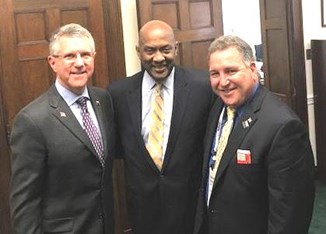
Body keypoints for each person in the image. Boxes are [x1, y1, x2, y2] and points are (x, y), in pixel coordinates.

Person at [193, 35, 315, 234]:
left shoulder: (283, 127)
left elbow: (290, 217)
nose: (223, 82)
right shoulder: (218, 107)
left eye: (231, 71)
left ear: (252, 70)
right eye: (215, 73)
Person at [108, 20, 214, 234]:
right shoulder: (118, 93)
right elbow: (119, 147)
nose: (158, 58)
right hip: (142, 209)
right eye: (150, 50)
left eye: (166, 49)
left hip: (191, 208)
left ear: (176, 48)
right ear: (139, 51)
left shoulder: (203, 87)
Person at [10, 23, 116, 234]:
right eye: (70, 56)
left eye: (85, 55)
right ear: (53, 62)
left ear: (94, 57)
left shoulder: (103, 100)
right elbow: (24, 202)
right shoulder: (32, 120)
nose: (79, 63)